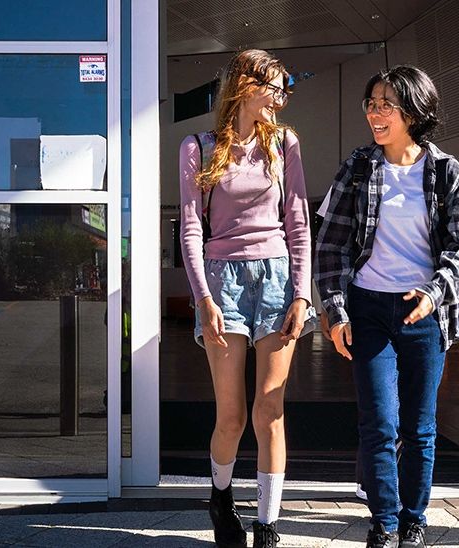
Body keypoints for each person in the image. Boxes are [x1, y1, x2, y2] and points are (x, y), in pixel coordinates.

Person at [314, 65, 459, 548]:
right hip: (367, 309)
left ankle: (414, 519)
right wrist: (336, 311)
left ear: (414, 111)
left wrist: (434, 292)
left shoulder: (446, 172)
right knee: (379, 422)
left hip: (424, 313)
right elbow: (330, 245)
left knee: (420, 427)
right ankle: (384, 522)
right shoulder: (357, 168)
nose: (375, 113)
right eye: (371, 103)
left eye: (387, 104)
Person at [178, 48, 315, 548]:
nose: (281, 97)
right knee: (232, 414)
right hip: (223, 282)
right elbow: (191, 230)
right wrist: (203, 299)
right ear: (245, 86)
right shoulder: (198, 146)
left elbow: (298, 222)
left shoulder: (284, 143)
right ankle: (220, 496)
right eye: (275, 87)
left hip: (276, 278)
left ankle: (267, 526)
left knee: (270, 408)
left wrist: (301, 294)